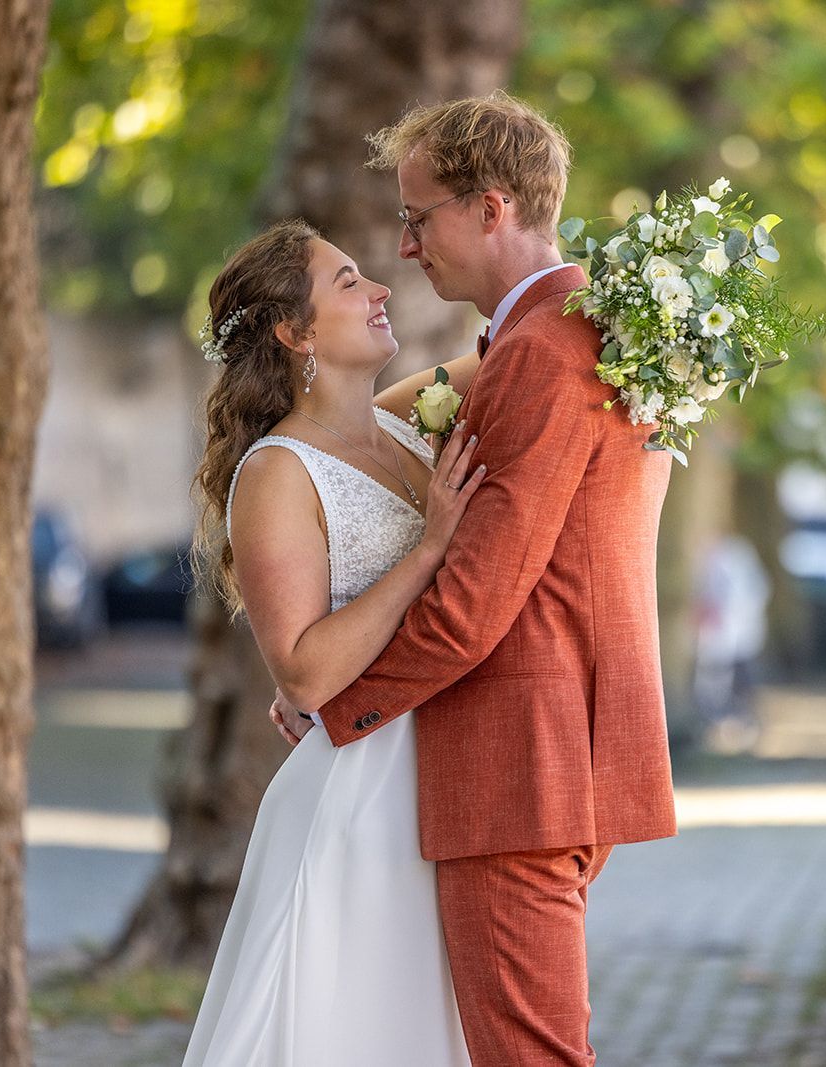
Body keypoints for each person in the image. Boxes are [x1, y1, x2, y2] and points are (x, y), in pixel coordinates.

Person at [269, 92, 677, 1066]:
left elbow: (473, 605)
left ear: (491, 209)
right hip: (557, 751)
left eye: (418, 217)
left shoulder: (542, 351)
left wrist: (336, 703)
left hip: (517, 766)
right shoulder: (573, 333)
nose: (406, 247)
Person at [180, 218, 486, 1065]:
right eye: (350, 282)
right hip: (359, 799)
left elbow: (519, 348)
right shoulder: (277, 472)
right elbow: (306, 674)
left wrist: (643, 298)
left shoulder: (401, 423)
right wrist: (429, 549)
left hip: (433, 778)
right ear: (296, 331)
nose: (382, 289)